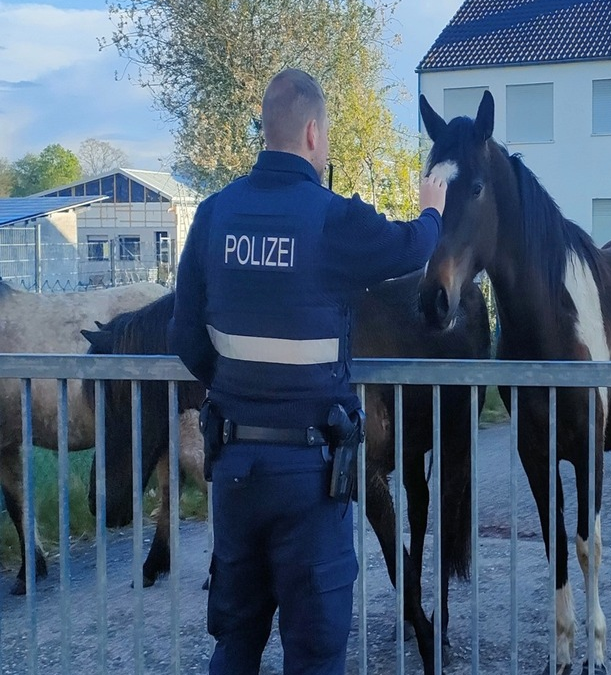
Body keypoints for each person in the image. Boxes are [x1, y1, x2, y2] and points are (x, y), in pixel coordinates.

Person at [167, 67, 447, 674]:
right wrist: (432, 212)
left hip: (236, 469)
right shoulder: (332, 219)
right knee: (315, 654)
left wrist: (240, 388)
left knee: (235, 643)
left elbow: (184, 335)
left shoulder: (214, 217)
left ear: (265, 130)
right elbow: (410, 248)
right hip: (312, 477)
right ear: (314, 134)